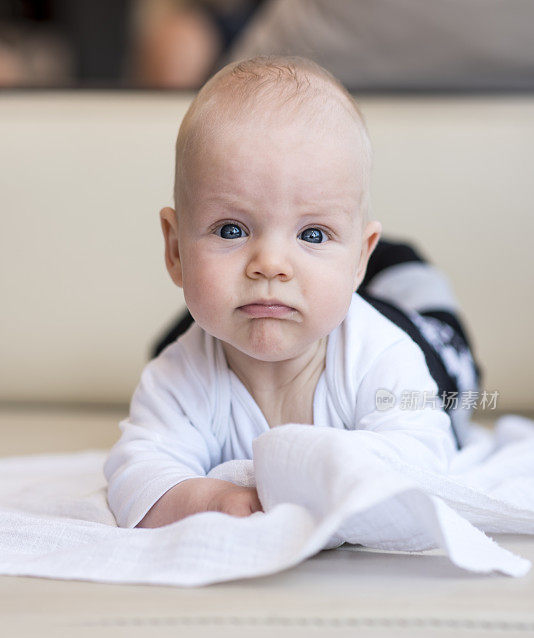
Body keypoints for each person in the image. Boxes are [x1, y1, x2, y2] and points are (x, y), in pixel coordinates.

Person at [104, 55, 480, 529]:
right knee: (198, 323)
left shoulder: (384, 357)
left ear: (359, 257)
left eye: (312, 233)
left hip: (427, 351)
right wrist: (214, 500)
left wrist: (311, 469)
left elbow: (422, 458)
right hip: (280, 306)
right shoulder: (178, 378)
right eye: (231, 229)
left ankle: (386, 265)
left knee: (423, 321)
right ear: (175, 250)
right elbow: (136, 476)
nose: (270, 264)